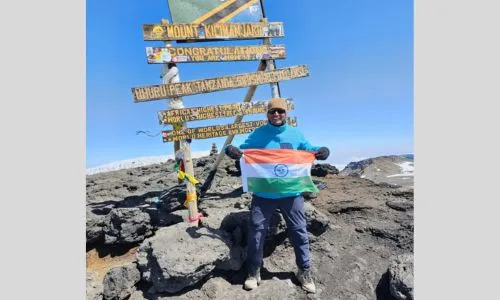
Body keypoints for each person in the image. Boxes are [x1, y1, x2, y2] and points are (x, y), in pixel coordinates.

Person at [225, 98, 330, 293]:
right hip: (263, 194)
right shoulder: (259, 134)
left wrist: (322, 151)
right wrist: (230, 150)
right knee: (256, 232)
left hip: (291, 193)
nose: (276, 114)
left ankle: (304, 271)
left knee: (299, 231)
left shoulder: (295, 133)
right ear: (267, 114)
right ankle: (253, 271)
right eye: (272, 112)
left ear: (286, 113)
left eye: (280, 111)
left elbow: (309, 148)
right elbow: (241, 149)